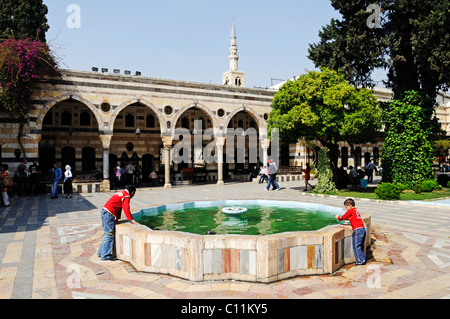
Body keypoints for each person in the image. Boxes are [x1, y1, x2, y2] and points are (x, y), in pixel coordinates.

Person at [98, 186, 140, 261]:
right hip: (108, 215)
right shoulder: (126, 196)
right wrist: (132, 220)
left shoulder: (121, 193)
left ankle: (101, 253)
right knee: (109, 235)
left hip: (105, 213)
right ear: (132, 193)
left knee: (107, 234)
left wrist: (117, 218)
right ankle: (105, 255)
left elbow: (119, 207)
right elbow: (126, 208)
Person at [335, 198, 366, 266]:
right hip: (362, 229)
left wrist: (338, 217)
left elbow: (344, 217)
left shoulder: (351, 210)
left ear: (349, 205)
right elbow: (349, 217)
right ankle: (363, 259)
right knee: (360, 246)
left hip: (357, 230)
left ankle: (359, 261)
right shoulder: (355, 211)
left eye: (346, 207)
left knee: (356, 246)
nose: (346, 209)